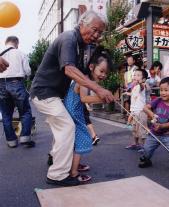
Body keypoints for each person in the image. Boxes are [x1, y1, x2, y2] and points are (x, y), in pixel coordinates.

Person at [30, 10, 114, 186]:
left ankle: (57, 159)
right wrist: (98, 89)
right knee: (67, 126)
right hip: (45, 93)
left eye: (100, 32)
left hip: (52, 94)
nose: (97, 35)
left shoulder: (79, 43)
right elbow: (69, 69)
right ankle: (57, 175)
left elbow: (79, 72)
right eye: (94, 30)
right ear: (82, 23)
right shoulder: (68, 39)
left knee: (62, 127)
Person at [64, 48, 111, 183]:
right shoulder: (83, 80)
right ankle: (73, 173)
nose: (103, 75)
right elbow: (84, 98)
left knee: (75, 141)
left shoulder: (84, 78)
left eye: (106, 73)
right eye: (101, 71)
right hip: (74, 114)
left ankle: (74, 164)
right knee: (83, 138)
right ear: (91, 67)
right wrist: (102, 98)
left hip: (73, 112)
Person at [0, 36, 33, 148]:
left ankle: (12, 141)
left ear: (6, 43)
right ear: (16, 43)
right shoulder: (21, 53)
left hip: (1, 84)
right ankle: (24, 137)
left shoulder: (0, 53)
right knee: (25, 111)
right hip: (16, 82)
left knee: (6, 114)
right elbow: (28, 71)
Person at [125, 69, 149, 150]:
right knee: (134, 129)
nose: (135, 76)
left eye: (138, 75)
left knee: (142, 130)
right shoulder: (134, 87)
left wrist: (140, 83)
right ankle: (136, 143)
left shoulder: (141, 86)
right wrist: (127, 93)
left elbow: (142, 87)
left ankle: (144, 146)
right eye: (134, 75)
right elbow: (134, 94)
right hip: (134, 111)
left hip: (141, 111)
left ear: (143, 79)